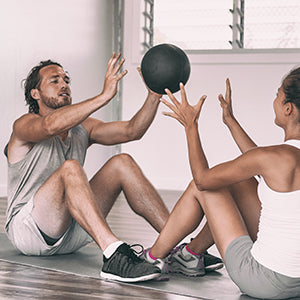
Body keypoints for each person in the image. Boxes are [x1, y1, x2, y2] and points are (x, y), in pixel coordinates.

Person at [5, 53, 171, 283]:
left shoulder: (82, 128)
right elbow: (50, 125)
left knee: (122, 163)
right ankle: (114, 255)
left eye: (66, 79)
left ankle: (176, 245)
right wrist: (104, 96)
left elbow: (132, 131)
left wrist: (154, 95)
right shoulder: (24, 125)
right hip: (30, 233)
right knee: (70, 168)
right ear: (36, 94)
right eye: (54, 80)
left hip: (72, 231)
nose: (64, 84)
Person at [142, 68, 300, 299]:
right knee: (240, 182)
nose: (274, 100)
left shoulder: (273, 157)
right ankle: (190, 255)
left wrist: (190, 125)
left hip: (263, 281)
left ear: (288, 108)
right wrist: (230, 121)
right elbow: (258, 163)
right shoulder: (276, 158)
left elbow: (203, 179)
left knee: (203, 186)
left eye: (278, 94)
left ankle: (151, 259)